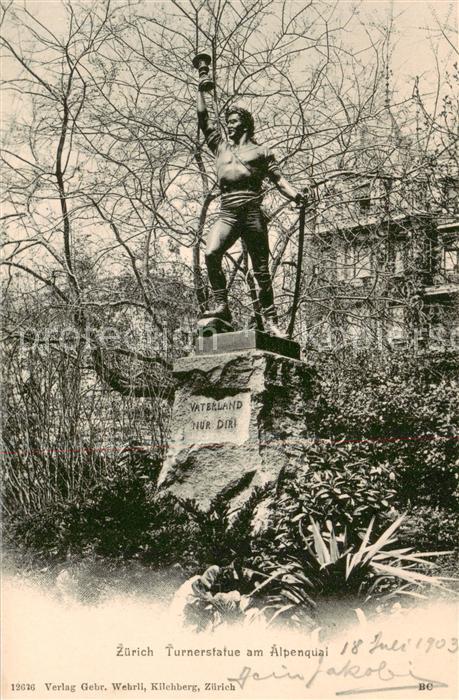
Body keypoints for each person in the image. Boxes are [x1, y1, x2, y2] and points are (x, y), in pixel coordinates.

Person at [197, 80, 308, 337]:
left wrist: (296, 195)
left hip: (252, 212)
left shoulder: (261, 152)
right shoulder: (220, 147)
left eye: (234, 122)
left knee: (261, 271)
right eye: (228, 122)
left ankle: (270, 321)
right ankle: (222, 305)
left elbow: (279, 180)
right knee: (212, 252)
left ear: (245, 124)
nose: (229, 126)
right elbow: (204, 120)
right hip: (228, 211)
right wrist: (201, 90)